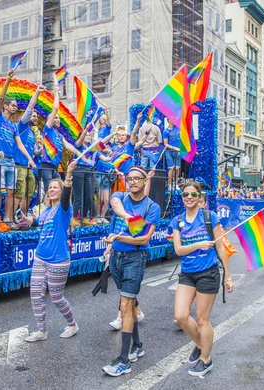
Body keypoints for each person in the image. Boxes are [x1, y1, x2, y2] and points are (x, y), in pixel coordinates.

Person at [101, 166, 161, 377]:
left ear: (146, 182)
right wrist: (128, 218)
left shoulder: (152, 207)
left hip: (135, 258)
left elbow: (144, 238)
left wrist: (118, 237)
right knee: (130, 303)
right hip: (116, 258)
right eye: (130, 178)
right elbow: (115, 204)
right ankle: (137, 345)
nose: (133, 182)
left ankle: (124, 360)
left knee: (126, 304)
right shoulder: (120, 196)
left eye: (137, 179)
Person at [171, 181, 233, 377]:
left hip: (208, 272)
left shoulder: (209, 217)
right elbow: (179, 250)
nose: (188, 197)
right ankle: (200, 343)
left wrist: (228, 277)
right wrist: (198, 244)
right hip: (188, 273)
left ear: (200, 198)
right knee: (180, 316)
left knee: (202, 318)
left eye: (192, 194)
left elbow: (221, 247)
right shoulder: (177, 221)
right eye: (185, 195)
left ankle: (205, 359)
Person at [17, 160, 79, 342]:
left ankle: (72, 324)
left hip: (58, 260)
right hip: (40, 258)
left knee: (56, 298)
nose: (51, 190)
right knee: (35, 294)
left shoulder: (64, 208)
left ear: (61, 190)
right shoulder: (46, 210)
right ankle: (42, 331)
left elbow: (67, 195)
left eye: (55, 188)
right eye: (50, 187)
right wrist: (25, 219)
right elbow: (37, 223)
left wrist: (68, 175)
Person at [0, 69, 19, 228]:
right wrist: (8, 79)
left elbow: (19, 144)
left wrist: (29, 159)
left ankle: (7, 219)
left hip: (11, 161)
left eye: (16, 105)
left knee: (10, 191)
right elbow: (1, 98)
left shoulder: (13, 125)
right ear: (6, 106)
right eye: (13, 105)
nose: (15, 107)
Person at [13, 85, 45, 218]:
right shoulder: (22, 126)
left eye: (37, 116)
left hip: (29, 167)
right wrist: (37, 92)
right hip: (18, 165)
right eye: (34, 115)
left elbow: (32, 151)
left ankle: (23, 217)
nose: (36, 117)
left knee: (29, 193)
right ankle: (11, 218)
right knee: (19, 193)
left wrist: (39, 152)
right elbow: (30, 108)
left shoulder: (32, 133)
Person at [163, 121, 181, 189]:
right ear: (168, 120)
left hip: (178, 151)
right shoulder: (165, 131)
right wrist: (174, 148)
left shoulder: (178, 129)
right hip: (169, 152)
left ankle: (175, 183)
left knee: (177, 168)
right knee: (171, 168)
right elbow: (165, 144)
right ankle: (170, 184)